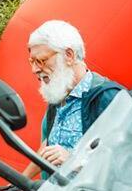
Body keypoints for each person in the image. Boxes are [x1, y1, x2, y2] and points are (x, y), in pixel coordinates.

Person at [20, 20, 122, 180]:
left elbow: (126, 164)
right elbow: (49, 145)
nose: (35, 69)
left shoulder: (107, 98)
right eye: (32, 62)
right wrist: (20, 182)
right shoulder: (59, 93)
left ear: (69, 55)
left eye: (41, 60)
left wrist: (73, 161)